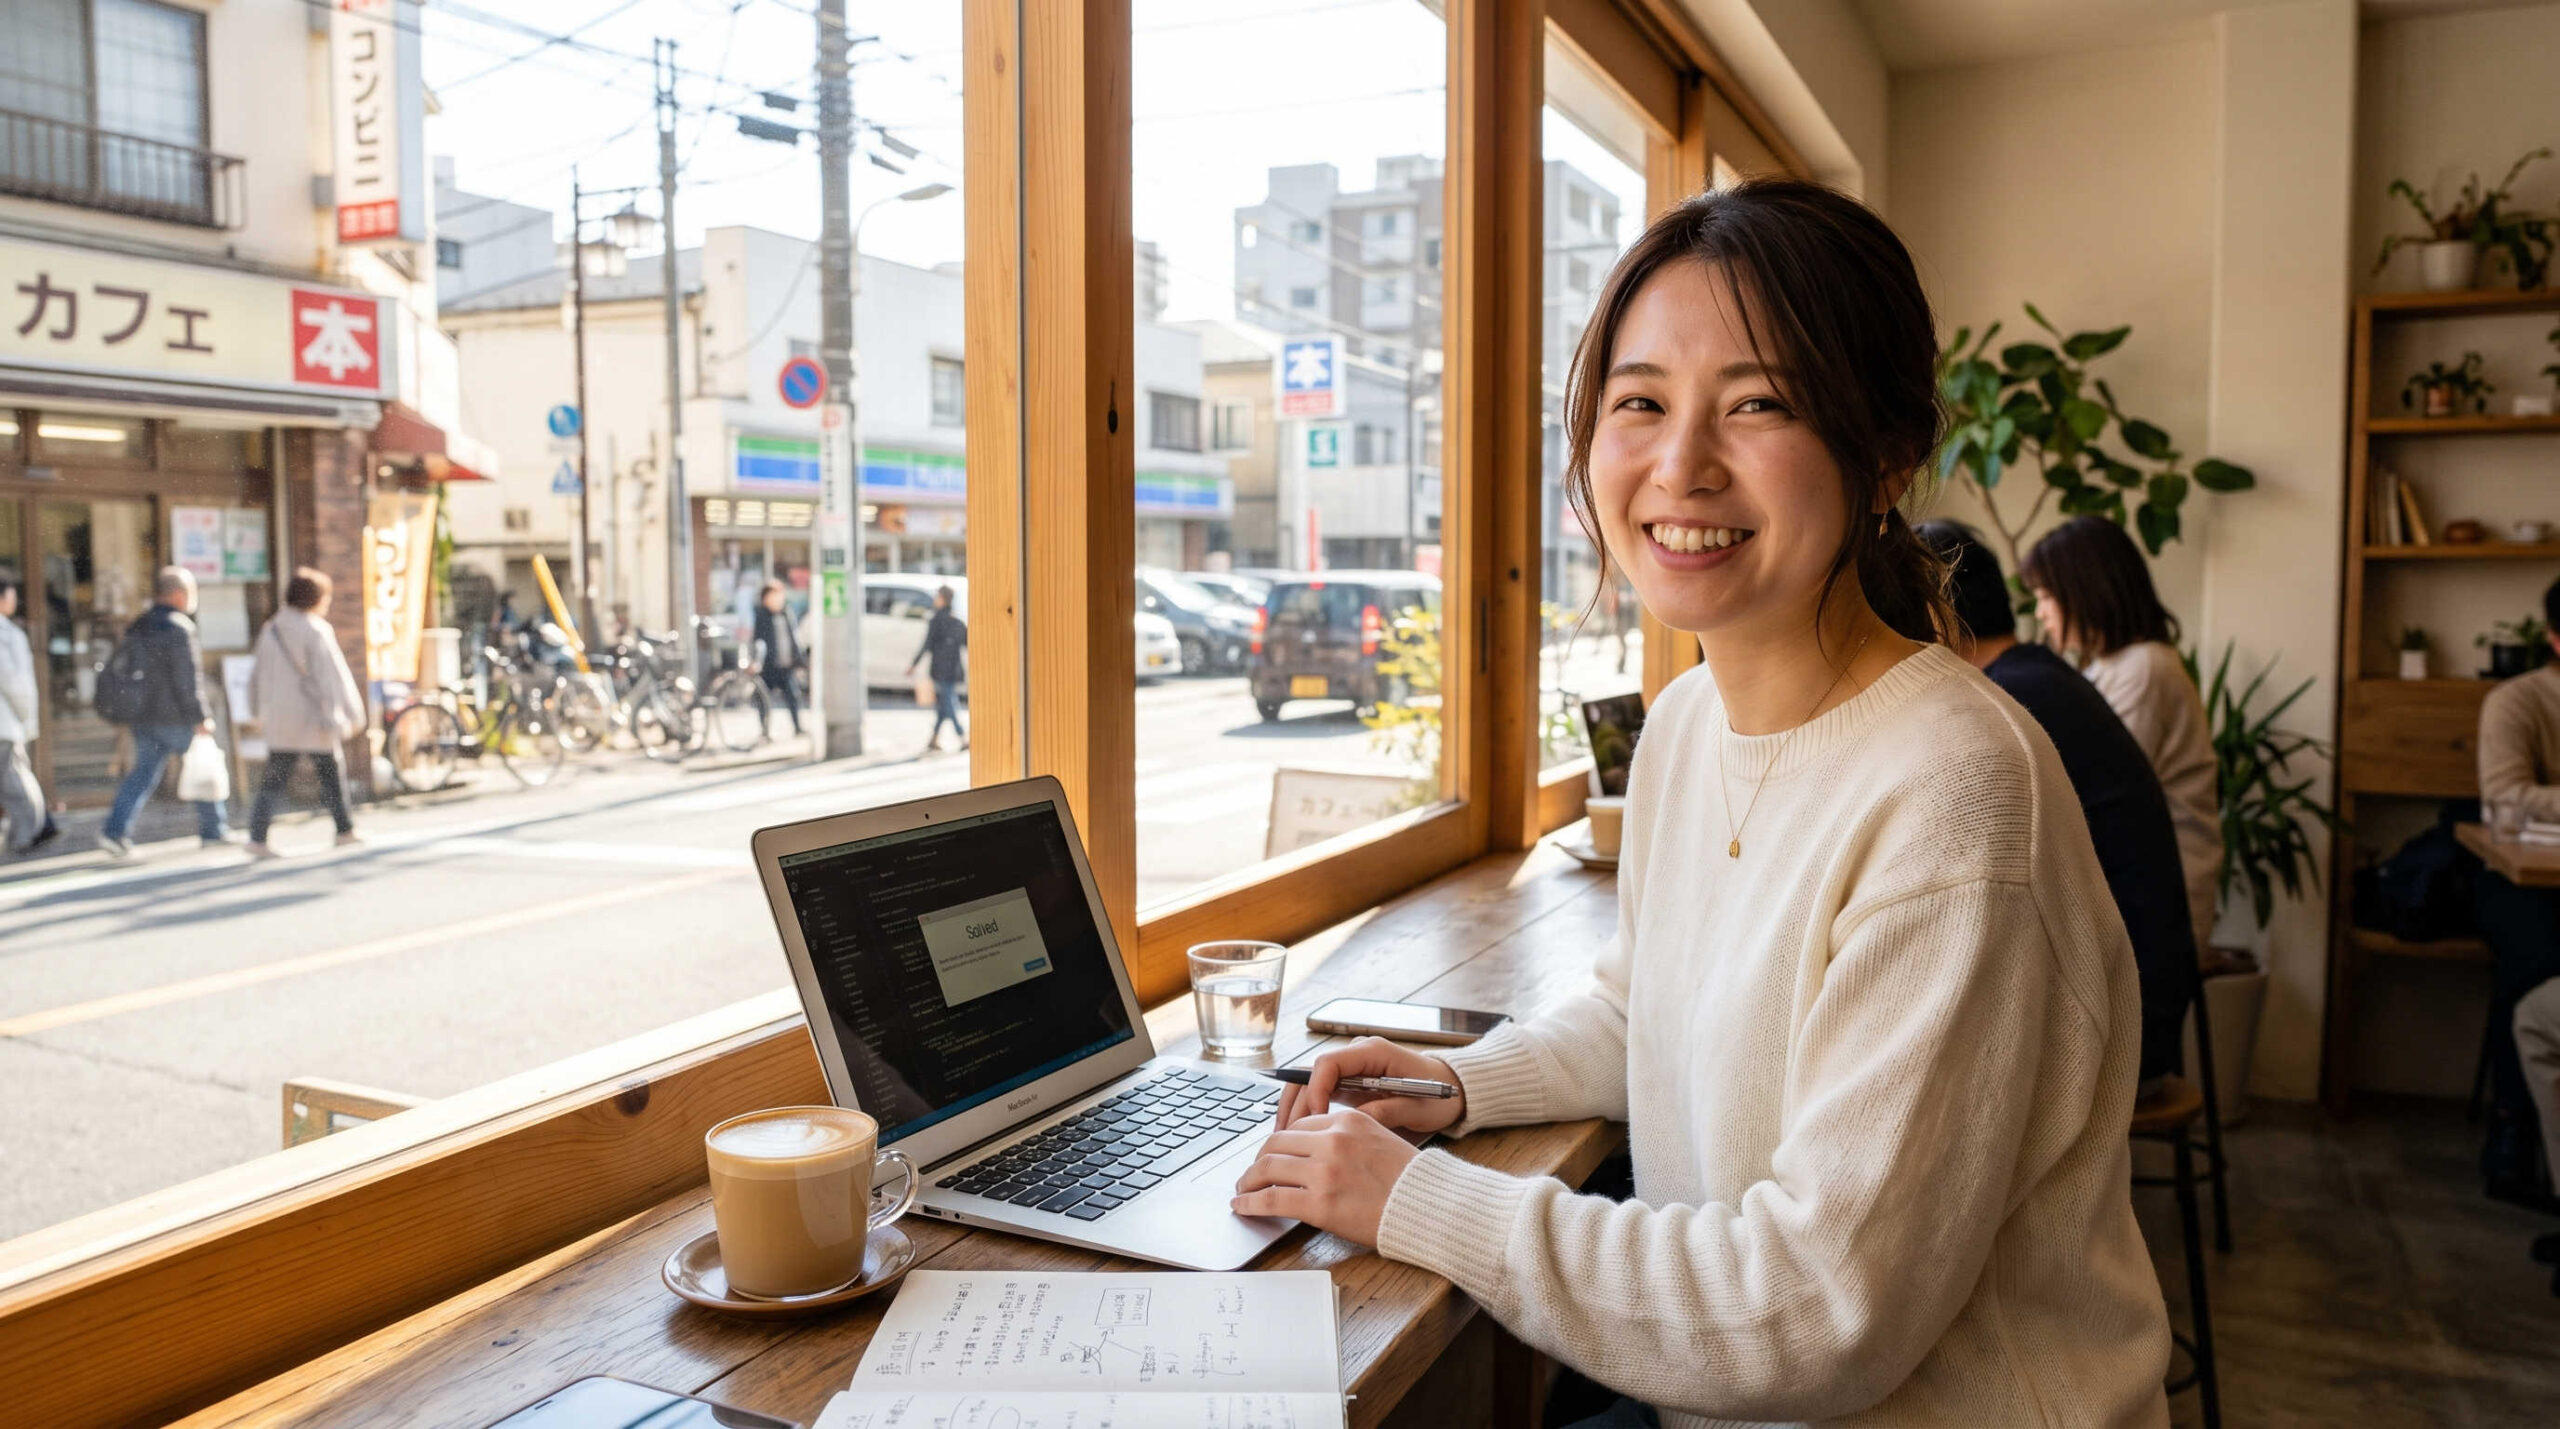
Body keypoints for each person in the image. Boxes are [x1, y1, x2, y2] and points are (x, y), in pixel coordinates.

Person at [1234, 179, 2168, 1427]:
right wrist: (1461, 1086)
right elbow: (1646, 1006)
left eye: (1760, 404)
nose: (1681, 464)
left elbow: (1814, 1307)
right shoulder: (1682, 721)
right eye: (1640, 403)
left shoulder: (1953, 789)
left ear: (1885, 458)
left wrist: (1415, 1198)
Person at [1923, 520, 2197, 1088]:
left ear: (1935, 617)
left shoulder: (2011, 702)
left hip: (2127, 1029)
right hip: (2138, 998)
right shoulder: (2034, 679)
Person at [2020, 515, 2224, 959]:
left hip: (2158, 902)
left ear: (2086, 590)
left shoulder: (2144, 670)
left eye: (2046, 596)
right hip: (2144, 892)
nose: (2041, 612)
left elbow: (2102, 790)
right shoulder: (2112, 668)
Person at [2474, 579, 2560, 1215]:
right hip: (2522, 877)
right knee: (2535, 952)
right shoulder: (2519, 701)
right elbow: (2506, 795)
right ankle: (2513, 1127)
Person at [99, 567, 228, 858]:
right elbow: (187, 679)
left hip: (143, 715)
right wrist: (200, 716)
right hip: (175, 716)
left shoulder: (139, 625)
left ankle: (114, 831)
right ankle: (214, 830)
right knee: (203, 764)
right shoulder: (179, 628)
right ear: (178, 595)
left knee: (143, 774)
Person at [244, 568, 366, 859]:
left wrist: (255, 710)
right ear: (315, 598)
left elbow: (257, 674)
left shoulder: (271, 628)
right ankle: (345, 830)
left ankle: (257, 838)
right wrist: (349, 712)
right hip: (314, 715)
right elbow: (333, 677)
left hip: (281, 716)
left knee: (274, 778)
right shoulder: (316, 630)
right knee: (331, 774)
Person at [0, 578, 61, 855]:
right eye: (11, 596)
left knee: (13, 778)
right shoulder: (7, 634)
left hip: (7, 722)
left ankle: (31, 831)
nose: (13, 601)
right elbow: (14, 683)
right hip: (6, 721)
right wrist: (26, 718)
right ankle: (32, 832)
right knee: (14, 780)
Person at [908, 585, 966, 753]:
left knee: (948, 702)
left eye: (937, 596)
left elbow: (926, 645)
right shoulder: (957, 621)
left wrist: (914, 664)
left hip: (940, 668)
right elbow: (968, 643)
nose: (935, 599)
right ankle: (934, 739)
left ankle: (962, 737)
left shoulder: (936, 620)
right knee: (944, 704)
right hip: (954, 668)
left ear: (942, 598)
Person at [751, 581, 807, 737]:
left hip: (786, 665)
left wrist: (800, 660)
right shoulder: (761, 616)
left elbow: (794, 639)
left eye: (779, 597)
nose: (777, 600)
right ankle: (765, 731)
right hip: (768, 666)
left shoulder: (786, 613)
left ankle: (797, 727)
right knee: (763, 700)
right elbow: (757, 641)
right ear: (765, 598)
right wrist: (755, 661)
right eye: (773, 597)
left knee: (793, 697)